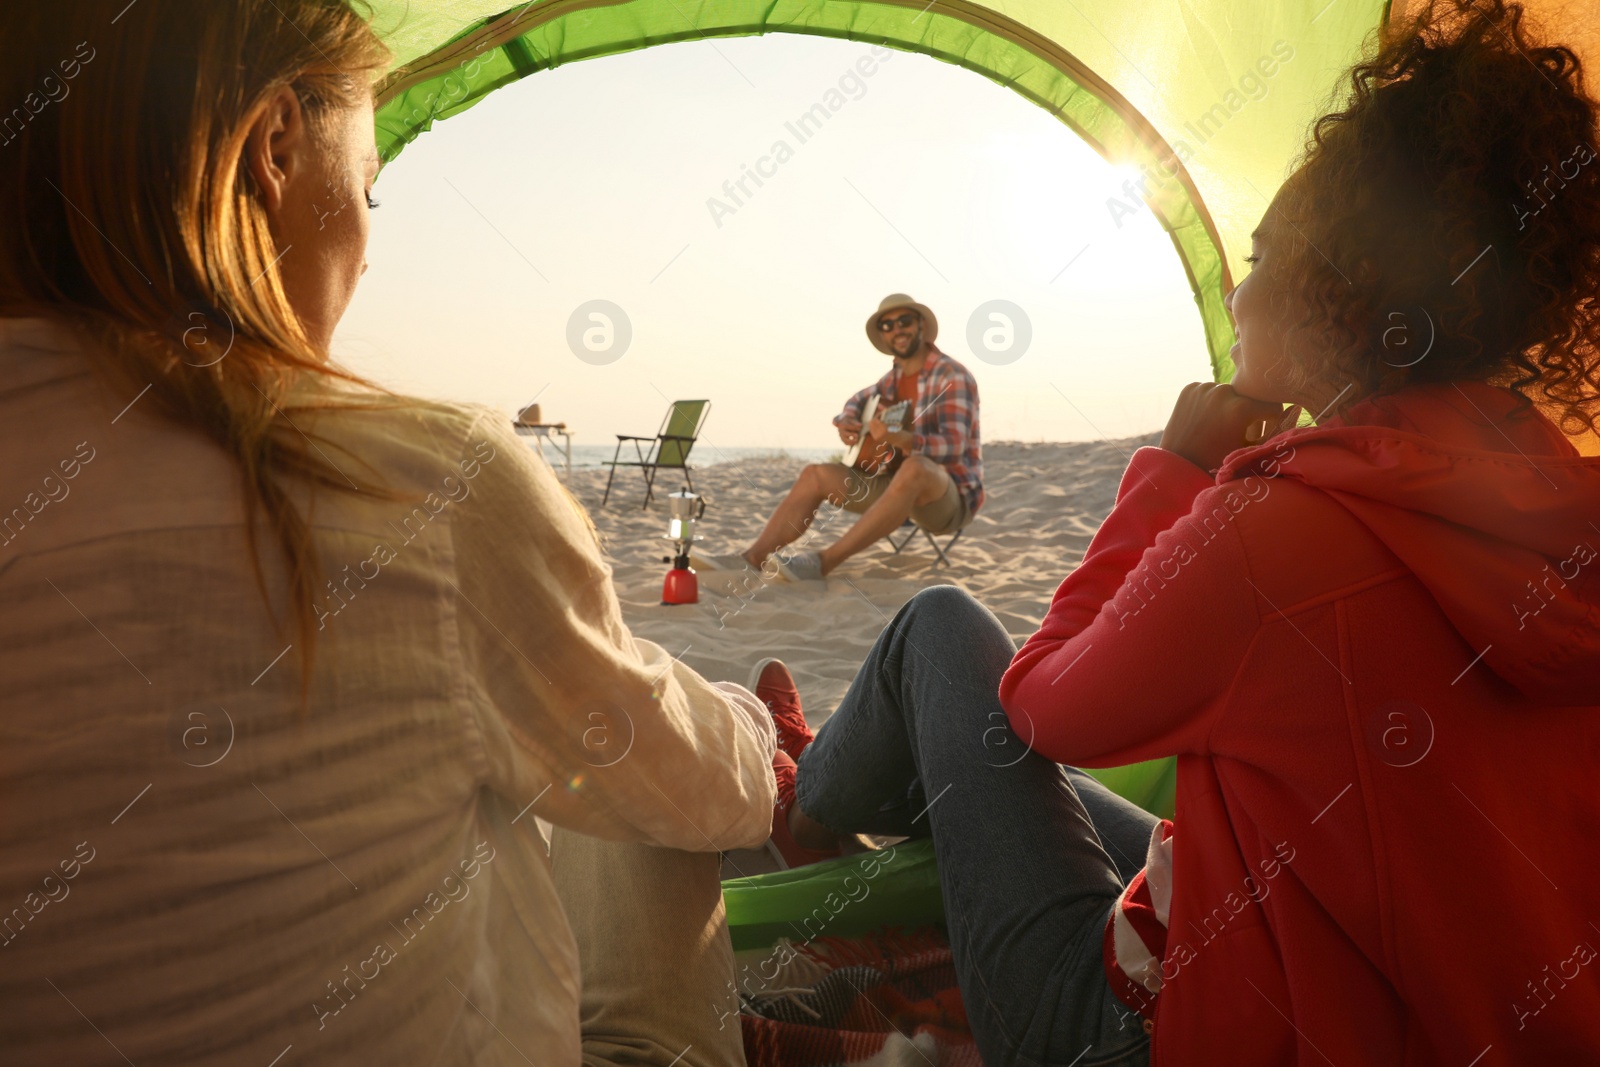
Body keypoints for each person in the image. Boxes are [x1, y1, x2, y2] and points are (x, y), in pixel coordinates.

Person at [772, 0, 1600, 1063]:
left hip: (1157, 1031)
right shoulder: (1553, 505)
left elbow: (1042, 702)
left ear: (1325, 295)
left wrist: (1170, 471)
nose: (1240, 290)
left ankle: (804, 802)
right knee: (1022, 784)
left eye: (1257, 262)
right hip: (1420, 999)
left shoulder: (1285, 526)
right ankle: (863, 829)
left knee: (938, 632)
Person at [0, 4, 775, 1065]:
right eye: (365, 190)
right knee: (624, 754)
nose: (364, 254)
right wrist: (750, 728)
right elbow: (706, 793)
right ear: (274, 146)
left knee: (546, 730)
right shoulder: (420, 479)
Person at [700, 294, 983, 580]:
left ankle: (823, 562)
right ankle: (752, 558)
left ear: (920, 325)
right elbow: (858, 399)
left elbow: (954, 448)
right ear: (883, 335)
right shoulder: (892, 380)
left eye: (904, 321)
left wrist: (902, 440)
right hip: (897, 491)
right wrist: (846, 421)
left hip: (950, 500)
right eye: (887, 325)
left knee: (916, 467)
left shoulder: (952, 375)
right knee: (815, 474)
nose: (896, 329)